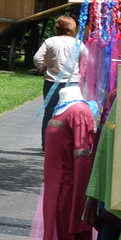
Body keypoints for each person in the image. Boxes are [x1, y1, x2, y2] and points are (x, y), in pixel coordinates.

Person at [33, 15, 82, 144]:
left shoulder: (50, 41)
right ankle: (67, 142)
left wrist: (42, 67)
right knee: (70, 113)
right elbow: (87, 59)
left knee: (50, 113)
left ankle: (47, 144)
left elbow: (37, 57)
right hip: (72, 82)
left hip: (52, 81)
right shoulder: (77, 43)